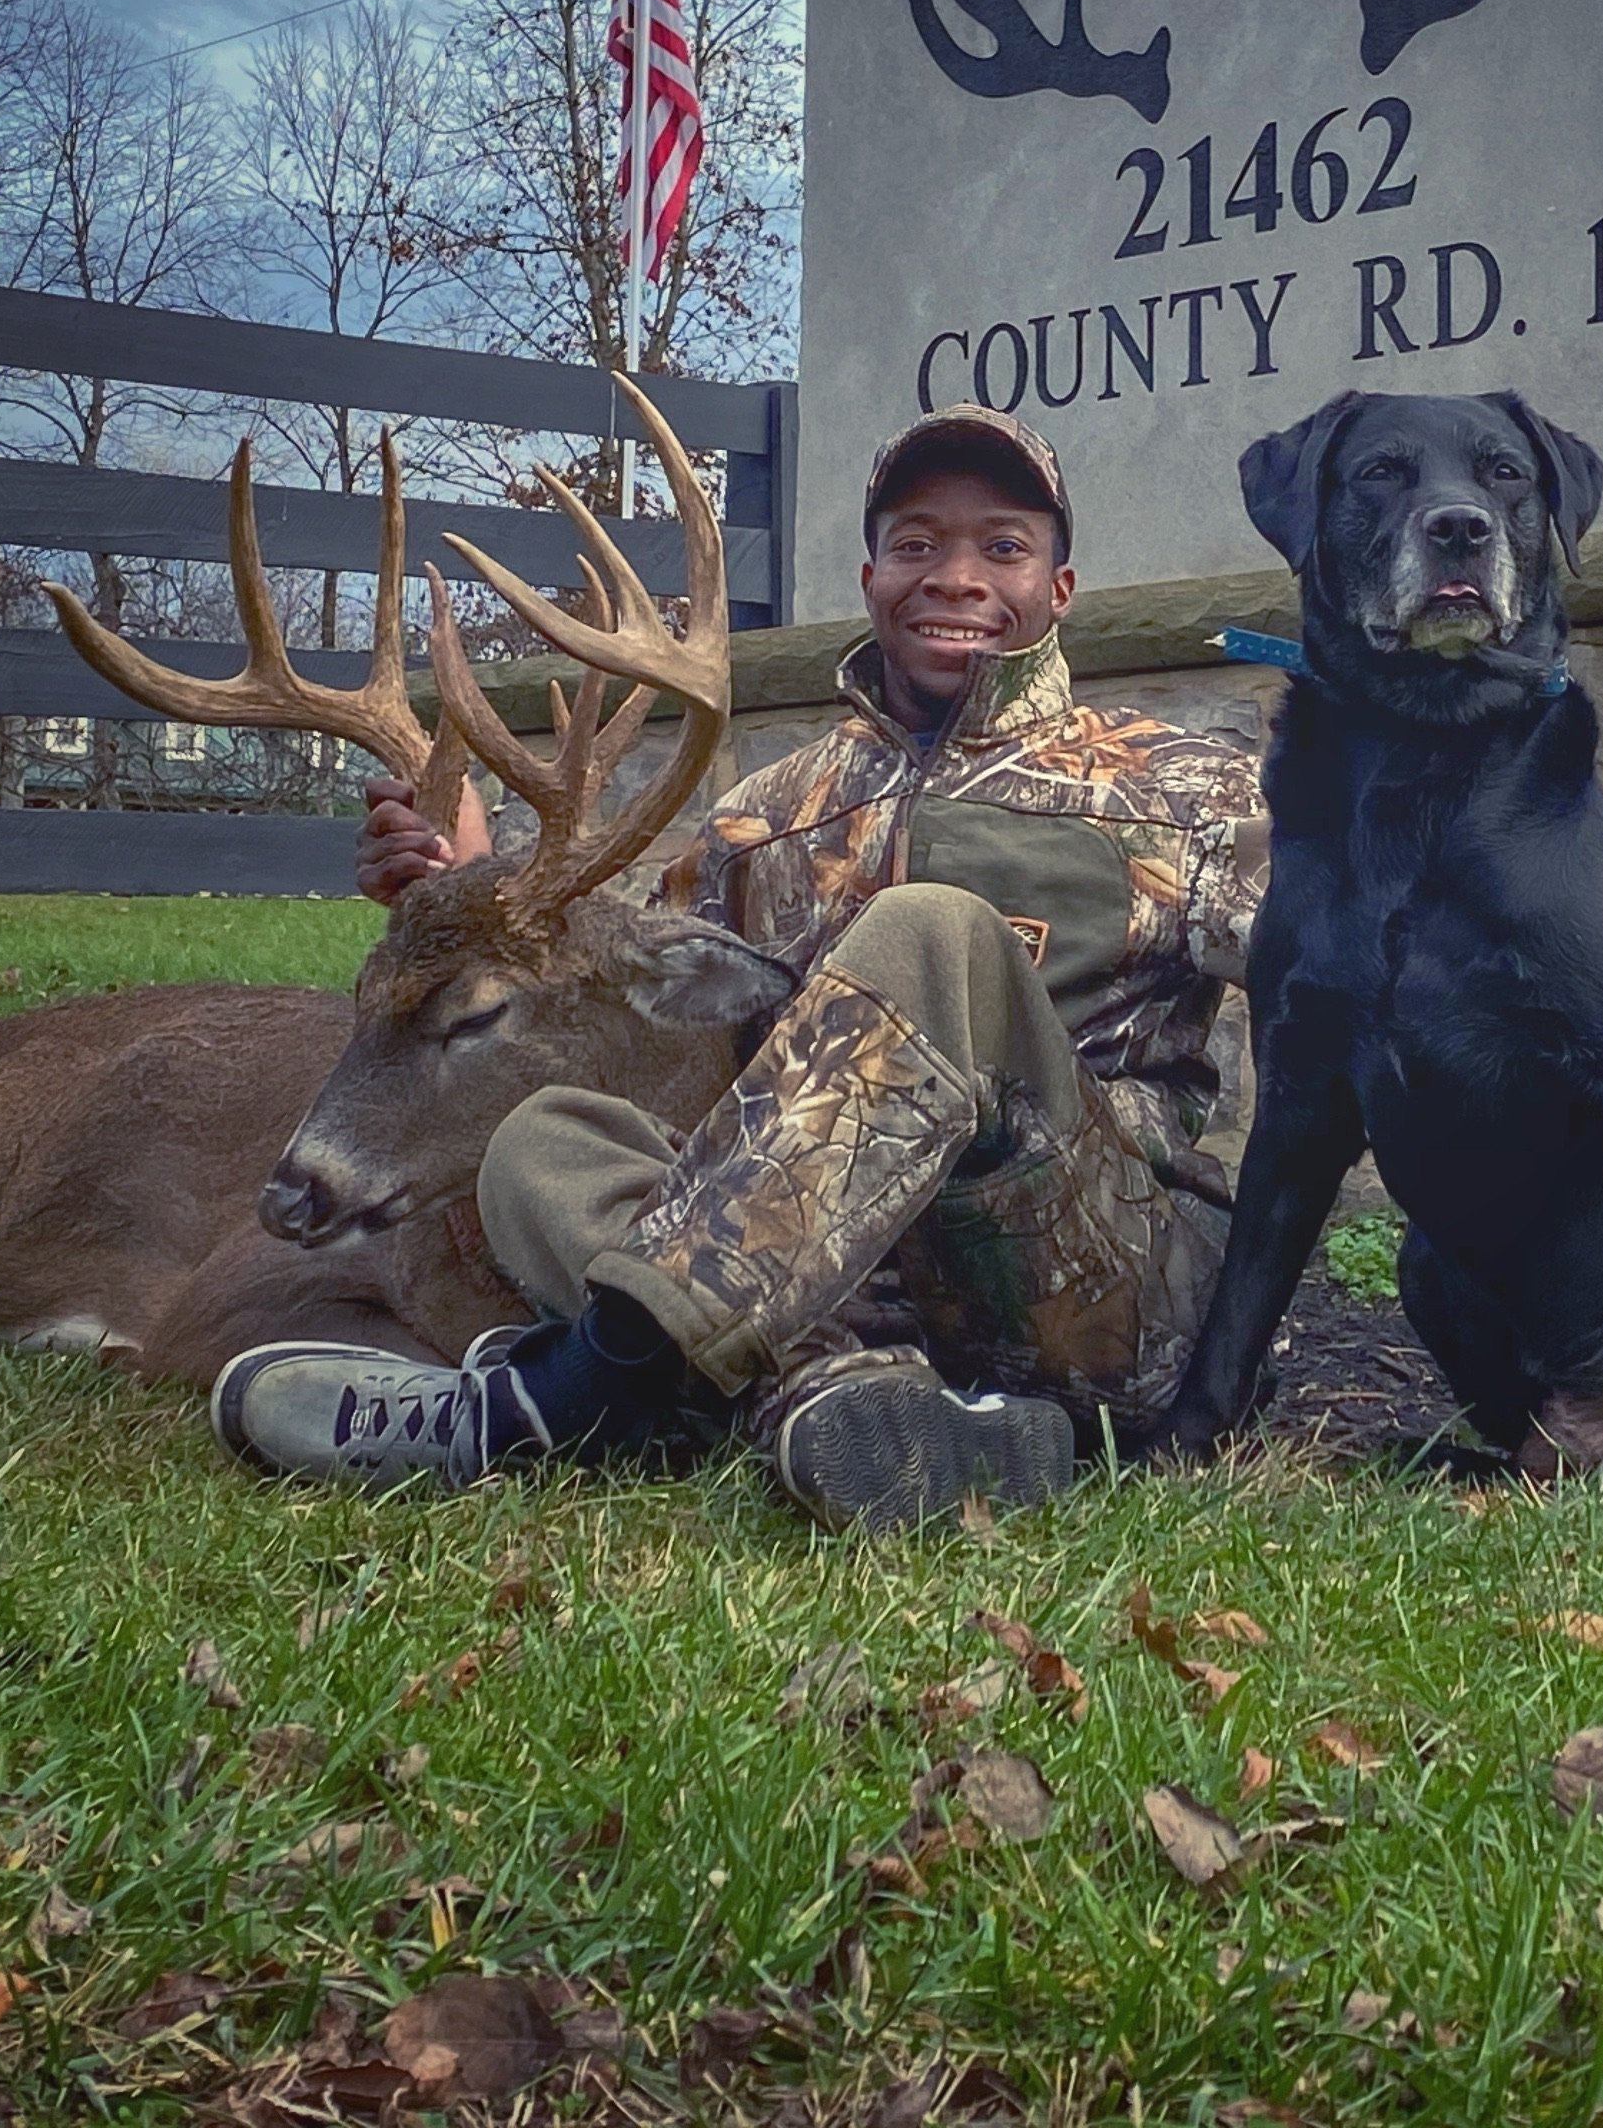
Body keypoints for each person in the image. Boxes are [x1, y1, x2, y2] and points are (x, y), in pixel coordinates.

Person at [209, 407, 1268, 1532]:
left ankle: (570, 1394)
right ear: (870, 578)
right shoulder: (771, 813)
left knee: (932, 932)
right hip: (833, 1285)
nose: (954, 576)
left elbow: (1353, 989)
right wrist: (474, 886)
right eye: (916, 545)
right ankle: (867, 1407)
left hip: (1085, 1285)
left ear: (1060, 590)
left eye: (1002, 547)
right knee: (545, 1141)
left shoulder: (1189, 792)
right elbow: (601, 959)